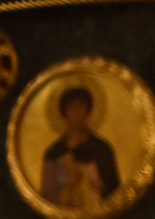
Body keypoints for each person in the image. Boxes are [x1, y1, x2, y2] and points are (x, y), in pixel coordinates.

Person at [38, 84, 120, 212]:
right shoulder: (54, 152)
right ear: (64, 112)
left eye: (81, 107)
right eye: (71, 107)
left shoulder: (102, 149)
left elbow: (115, 191)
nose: (76, 112)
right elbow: (47, 196)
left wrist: (98, 185)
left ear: (88, 111)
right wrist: (67, 186)